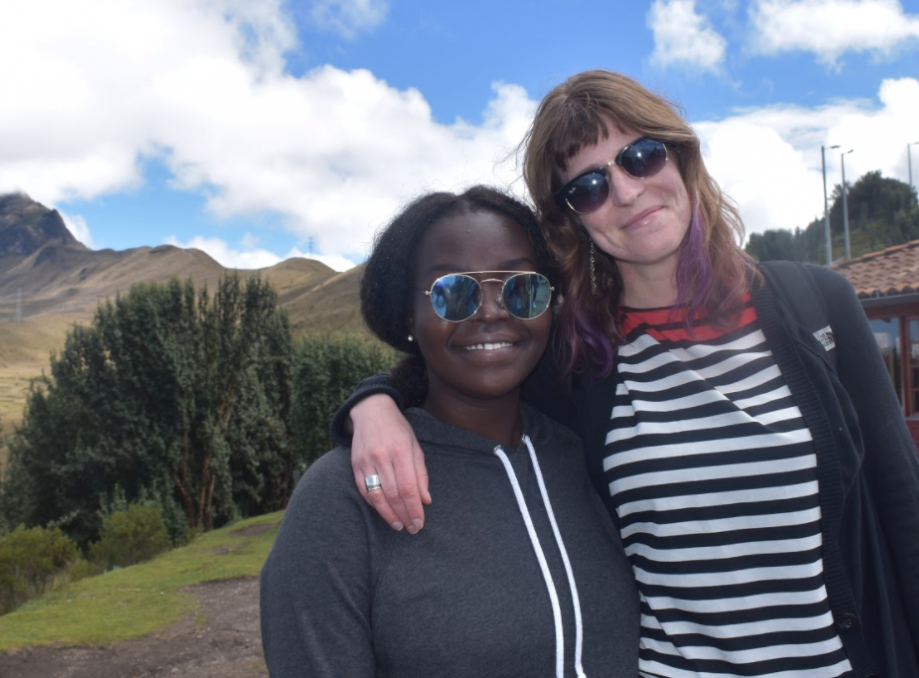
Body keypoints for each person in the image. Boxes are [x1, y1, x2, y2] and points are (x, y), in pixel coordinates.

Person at [336, 72, 919, 677]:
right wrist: (371, 404)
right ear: (572, 219)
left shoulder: (818, 306)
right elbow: (457, 368)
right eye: (588, 187)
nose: (626, 192)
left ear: (679, 156)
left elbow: (909, 520)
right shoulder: (577, 361)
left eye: (641, 156)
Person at [260, 186, 640, 678]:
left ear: (550, 304)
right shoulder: (340, 499)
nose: (490, 311)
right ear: (408, 317)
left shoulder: (581, 453)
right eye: (453, 292)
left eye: (520, 287)